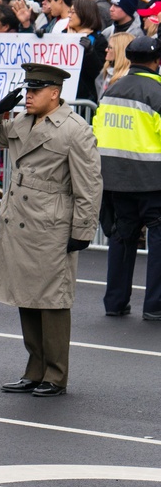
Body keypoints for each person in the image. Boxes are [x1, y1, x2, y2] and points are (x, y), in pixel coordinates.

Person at [0, 65, 103, 396]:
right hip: (20, 219)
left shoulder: (75, 130)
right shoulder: (21, 120)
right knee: (27, 296)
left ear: (55, 93)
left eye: (36, 90)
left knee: (52, 301)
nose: (29, 95)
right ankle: (34, 369)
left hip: (51, 223)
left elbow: (89, 186)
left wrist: (82, 229)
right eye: (27, 90)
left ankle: (55, 375)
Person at [92, 35, 161, 320]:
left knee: (121, 240)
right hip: (153, 182)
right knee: (157, 245)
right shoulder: (158, 93)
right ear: (157, 62)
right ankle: (155, 306)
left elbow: (98, 132)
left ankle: (115, 302)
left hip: (116, 181)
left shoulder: (112, 90)